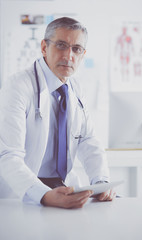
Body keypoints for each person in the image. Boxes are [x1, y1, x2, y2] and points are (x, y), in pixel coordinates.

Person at [0, 17, 116, 208]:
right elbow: (8, 155)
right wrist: (44, 195)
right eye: (61, 45)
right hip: (24, 193)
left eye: (76, 49)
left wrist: (101, 181)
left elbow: (88, 140)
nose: (69, 55)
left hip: (64, 189)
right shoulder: (18, 87)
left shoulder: (76, 89)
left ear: (82, 54)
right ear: (44, 47)